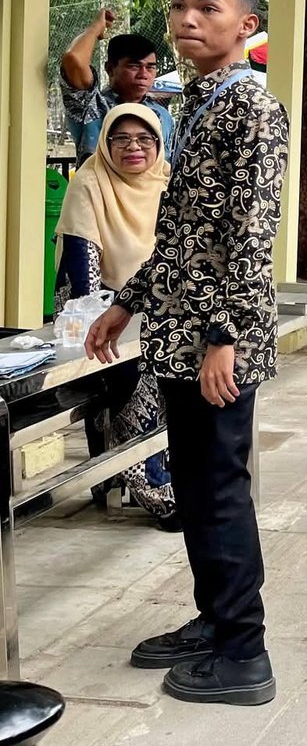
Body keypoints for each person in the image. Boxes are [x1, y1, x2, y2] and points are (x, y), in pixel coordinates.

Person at [85, 0, 288, 706]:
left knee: (220, 489)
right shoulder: (199, 103)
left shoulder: (253, 111)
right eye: (178, 6)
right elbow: (181, 232)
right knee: (197, 489)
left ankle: (244, 653)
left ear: (246, 25)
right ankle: (215, 618)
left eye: (206, 7)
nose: (186, 21)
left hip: (215, 341)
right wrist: (127, 301)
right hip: (176, 331)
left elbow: (249, 234)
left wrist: (224, 337)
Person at [55, 105, 178, 529]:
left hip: (157, 305)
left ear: (159, 144)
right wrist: (115, 316)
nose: (133, 148)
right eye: (120, 139)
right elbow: (81, 269)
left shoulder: (167, 182)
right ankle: (151, 485)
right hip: (99, 309)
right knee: (133, 369)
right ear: (105, 144)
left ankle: (148, 469)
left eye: (144, 139)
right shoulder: (90, 182)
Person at [59, 9, 174, 164]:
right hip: (98, 188)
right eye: (134, 66)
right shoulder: (92, 106)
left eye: (150, 67)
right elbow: (74, 60)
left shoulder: (163, 115)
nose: (143, 74)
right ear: (110, 69)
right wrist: (95, 29)